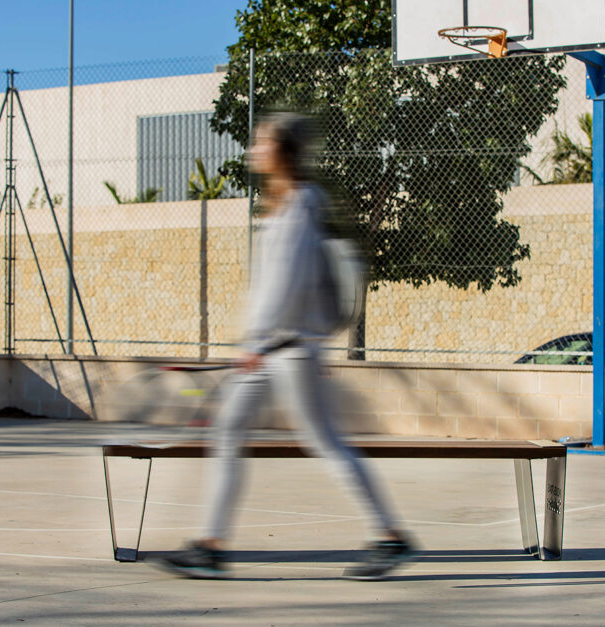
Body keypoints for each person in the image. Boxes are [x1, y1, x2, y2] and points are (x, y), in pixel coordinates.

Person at [155, 112, 415, 581]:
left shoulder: (299, 203)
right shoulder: (285, 204)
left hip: (285, 349)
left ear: (282, 152)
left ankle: (391, 536)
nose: (254, 149)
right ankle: (211, 545)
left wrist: (258, 342)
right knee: (228, 431)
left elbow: (285, 284)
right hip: (279, 348)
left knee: (324, 441)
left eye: (261, 142)